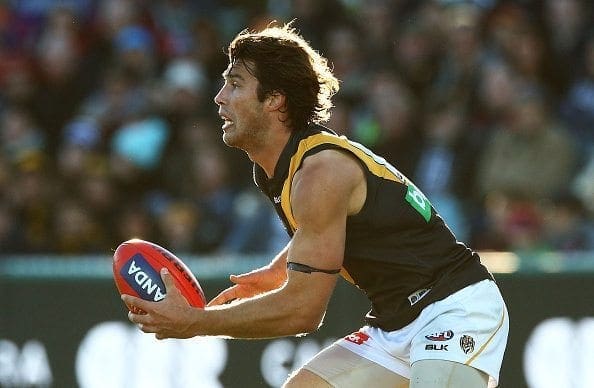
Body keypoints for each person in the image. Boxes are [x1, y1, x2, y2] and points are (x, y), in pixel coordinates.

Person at [123, 23, 509, 388]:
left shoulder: (319, 171)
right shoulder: (283, 167)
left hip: (455, 309)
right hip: (395, 323)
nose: (219, 97)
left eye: (235, 83)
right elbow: (327, 224)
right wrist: (278, 271)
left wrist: (196, 322)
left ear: (275, 100)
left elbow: (304, 311)